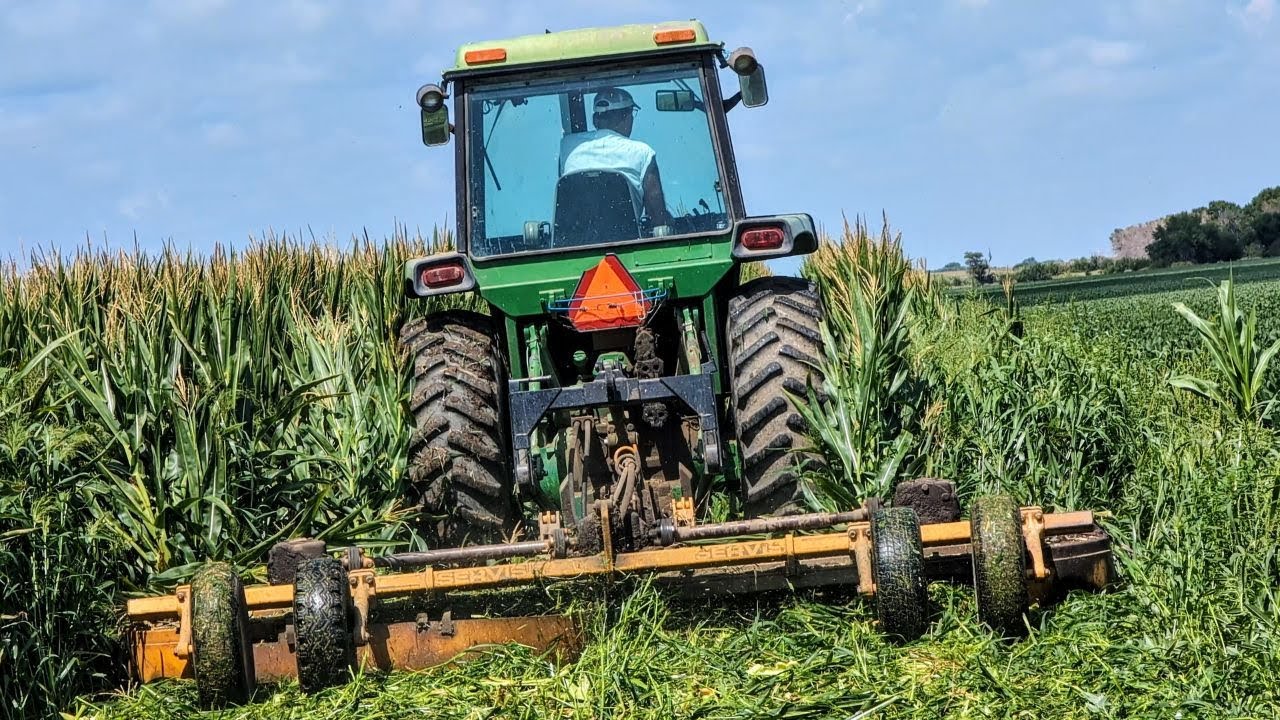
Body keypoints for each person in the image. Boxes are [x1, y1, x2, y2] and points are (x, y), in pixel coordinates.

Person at [559, 87, 672, 227]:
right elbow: (657, 218)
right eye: (631, 114)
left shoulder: (567, 147)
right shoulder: (643, 153)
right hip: (629, 242)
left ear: (595, 120)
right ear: (626, 118)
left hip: (574, 242)